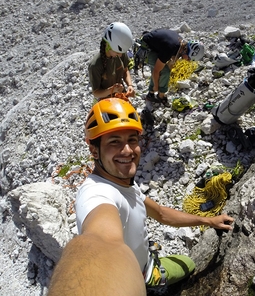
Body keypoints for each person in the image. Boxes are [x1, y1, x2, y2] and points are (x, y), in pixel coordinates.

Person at [48, 98, 233, 294]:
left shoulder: (121, 180)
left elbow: (161, 213)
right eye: (114, 142)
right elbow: (98, 241)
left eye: (132, 140)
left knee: (188, 263)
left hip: (146, 265)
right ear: (94, 150)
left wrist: (209, 221)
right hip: (132, 278)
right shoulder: (97, 194)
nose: (127, 150)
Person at [140, 28, 205, 107]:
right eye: (189, 58)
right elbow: (156, 71)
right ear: (186, 51)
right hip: (145, 47)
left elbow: (174, 58)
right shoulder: (170, 48)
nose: (188, 61)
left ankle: (151, 94)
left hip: (155, 44)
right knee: (165, 71)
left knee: (164, 68)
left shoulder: (181, 44)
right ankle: (160, 96)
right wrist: (156, 86)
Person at [88, 22, 136, 100]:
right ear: (108, 46)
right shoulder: (95, 65)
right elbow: (96, 92)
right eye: (117, 52)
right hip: (105, 100)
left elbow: (125, 70)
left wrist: (130, 85)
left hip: (120, 95)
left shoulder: (120, 52)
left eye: (121, 53)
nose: (120, 55)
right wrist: (111, 90)